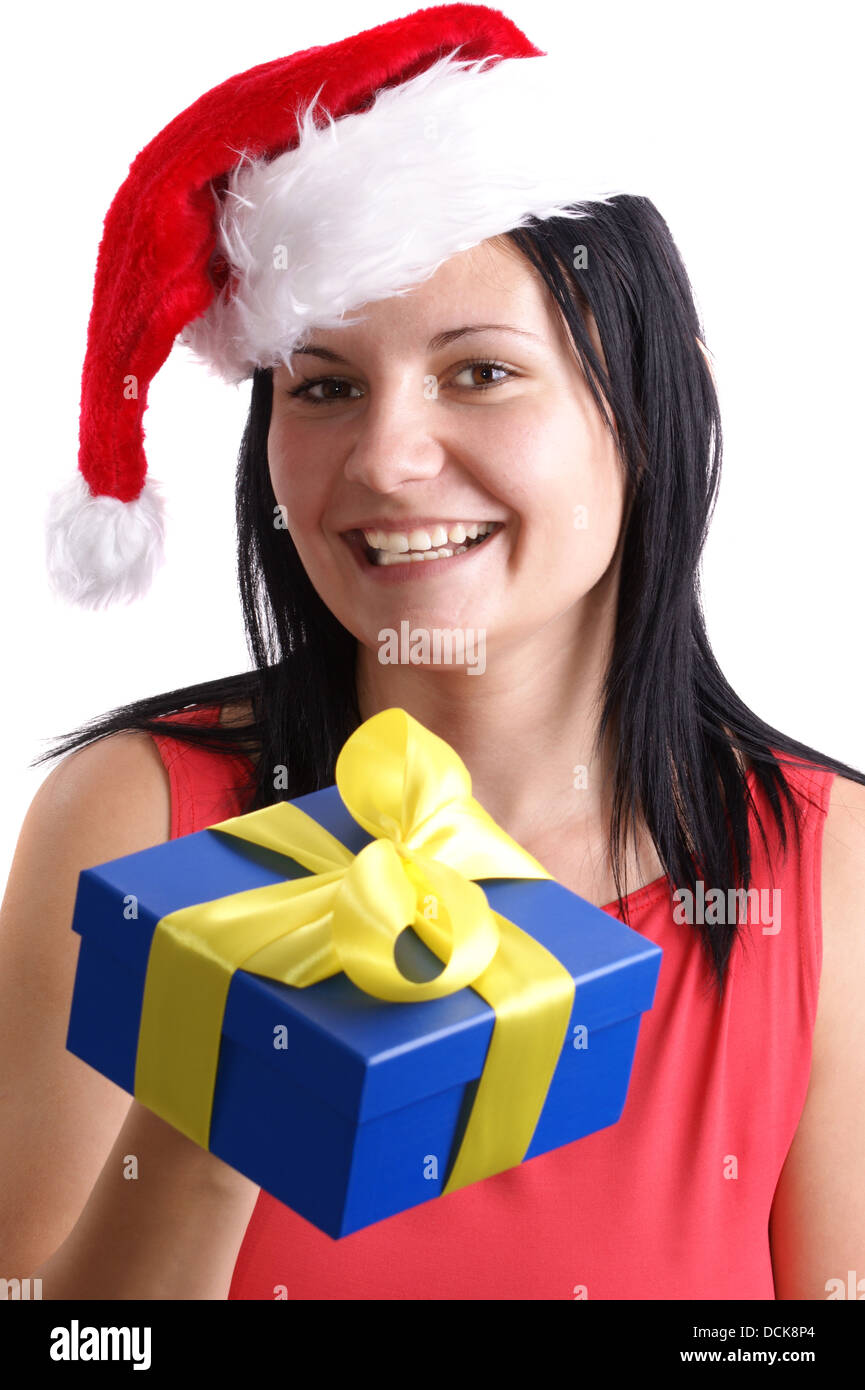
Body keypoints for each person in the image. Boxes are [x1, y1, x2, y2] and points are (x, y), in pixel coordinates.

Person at [2, 5, 864, 1301]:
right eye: (325, 385)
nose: (388, 461)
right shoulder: (131, 819)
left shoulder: (823, 868)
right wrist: (202, 1124)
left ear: (649, 403)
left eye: (479, 373)